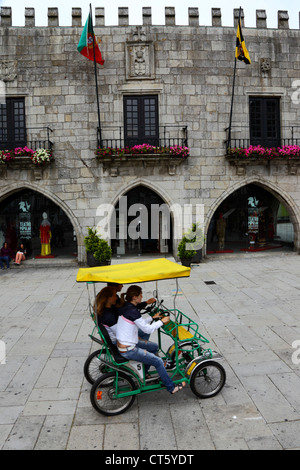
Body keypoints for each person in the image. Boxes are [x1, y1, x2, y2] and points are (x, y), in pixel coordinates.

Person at [116, 285, 185, 394]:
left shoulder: (127, 306)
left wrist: (153, 318)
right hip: (129, 349)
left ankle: (146, 372)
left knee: (153, 347)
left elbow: (139, 322)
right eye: (140, 295)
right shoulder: (133, 311)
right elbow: (147, 330)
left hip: (125, 342)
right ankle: (171, 387)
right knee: (157, 361)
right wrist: (162, 321)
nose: (142, 297)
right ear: (134, 297)